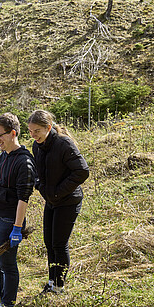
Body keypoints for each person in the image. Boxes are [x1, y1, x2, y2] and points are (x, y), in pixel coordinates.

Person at [0, 113, 37, 307]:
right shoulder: (0, 158)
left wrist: (17, 227)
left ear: (13, 133)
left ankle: (8, 305)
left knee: (7, 265)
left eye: (0, 136)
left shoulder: (25, 161)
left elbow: (24, 198)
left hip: (8, 221)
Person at [28, 110, 89, 294]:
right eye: (30, 131)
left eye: (37, 131)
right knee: (49, 242)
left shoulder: (64, 144)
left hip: (69, 200)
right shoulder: (37, 146)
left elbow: (82, 171)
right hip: (51, 200)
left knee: (59, 244)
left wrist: (58, 192)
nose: (33, 135)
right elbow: (38, 172)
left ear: (48, 127)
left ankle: (59, 286)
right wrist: (41, 187)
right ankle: (51, 281)